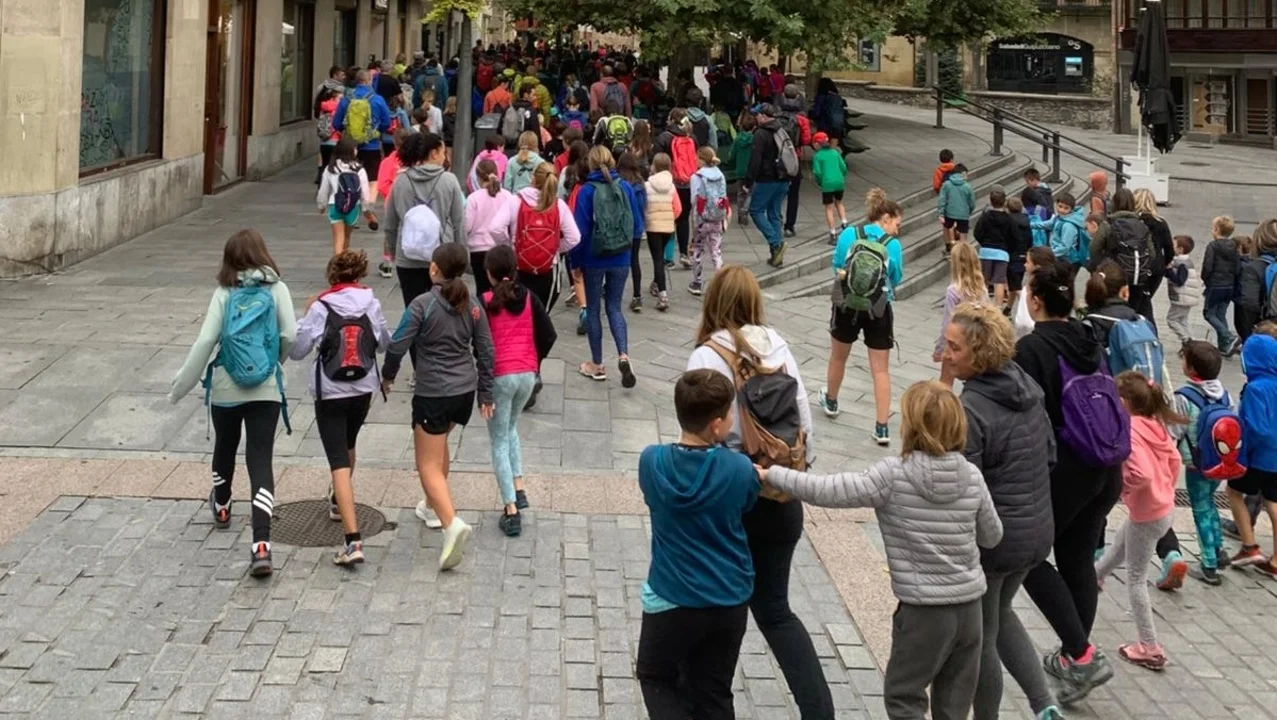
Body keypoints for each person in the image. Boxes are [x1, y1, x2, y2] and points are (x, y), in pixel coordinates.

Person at [764, 380, 1002, 720]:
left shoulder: (893, 474)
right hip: (970, 610)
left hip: (923, 612)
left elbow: (829, 490)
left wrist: (773, 474)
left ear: (911, 426)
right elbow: (992, 536)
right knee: (954, 706)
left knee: (904, 697)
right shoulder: (972, 476)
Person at [684, 265, 834, 719]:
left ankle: (710, 706)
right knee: (775, 611)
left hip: (731, 503)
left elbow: (695, 439)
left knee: (719, 613)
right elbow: (805, 426)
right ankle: (819, 711)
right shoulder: (779, 347)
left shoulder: (707, 356)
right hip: (781, 497)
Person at [942, 303, 1063, 720]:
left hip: (997, 541)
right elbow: (1049, 454)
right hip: (1036, 530)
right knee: (1002, 613)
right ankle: (1044, 706)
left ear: (978, 354)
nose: (945, 354)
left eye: (954, 347)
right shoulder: (1026, 386)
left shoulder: (972, 409)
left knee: (981, 637)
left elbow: (966, 490)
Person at [1014, 259, 1122, 703]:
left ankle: (1080, 654)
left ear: (1035, 300)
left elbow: (1025, 417)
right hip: (1106, 467)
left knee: (1025, 556)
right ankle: (1074, 659)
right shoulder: (1089, 338)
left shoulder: (1032, 349)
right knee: (1077, 560)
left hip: (1067, 470)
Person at [169, 230, 297, 577]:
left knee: (225, 445)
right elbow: (290, 335)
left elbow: (206, 340)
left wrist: (180, 386)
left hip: (226, 387)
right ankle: (261, 545)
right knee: (260, 460)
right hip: (266, 390)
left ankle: (223, 504)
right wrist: (273, 364)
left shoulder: (224, 292)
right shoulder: (278, 289)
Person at [634, 369, 759, 720]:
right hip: (728, 598)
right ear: (717, 425)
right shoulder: (739, 469)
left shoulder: (652, 461)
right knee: (714, 691)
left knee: (656, 677)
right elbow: (747, 502)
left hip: (671, 597)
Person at [382, 243, 493, 568]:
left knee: (427, 464)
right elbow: (486, 350)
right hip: (464, 391)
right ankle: (431, 506)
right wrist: (485, 393)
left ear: (433, 269)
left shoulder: (423, 304)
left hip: (433, 392)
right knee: (439, 443)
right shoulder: (473, 305)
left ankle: (451, 523)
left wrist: (388, 376)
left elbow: (397, 344)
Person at [288, 250, 390, 566]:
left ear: (332, 276)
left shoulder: (321, 306)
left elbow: (297, 351)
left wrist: (305, 317)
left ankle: (352, 540)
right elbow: (384, 343)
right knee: (349, 443)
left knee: (337, 462)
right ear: (359, 275)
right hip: (363, 388)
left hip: (330, 391)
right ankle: (337, 501)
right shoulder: (371, 303)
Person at [1095, 372, 1183, 671]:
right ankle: (1095, 576)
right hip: (1162, 508)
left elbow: (1141, 474)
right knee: (1121, 542)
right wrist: (1165, 487)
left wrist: (1123, 488)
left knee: (1135, 578)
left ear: (1123, 403)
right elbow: (1175, 460)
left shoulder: (1130, 430)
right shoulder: (1155, 425)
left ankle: (1150, 647)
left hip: (1148, 512)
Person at [481, 246, 557, 536]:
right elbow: (549, 334)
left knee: (498, 440)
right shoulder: (529, 298)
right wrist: (534, 361)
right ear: (514, 270)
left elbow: (481, 346)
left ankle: (511, 510)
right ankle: (519, 486)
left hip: (501, 376)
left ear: (489, 273)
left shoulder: (485, 302)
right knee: (511, 428)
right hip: (526, 374)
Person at [820, 189, 905, 446]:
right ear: (886, 218)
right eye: (897, 224)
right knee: (880, 370)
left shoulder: (849, 234)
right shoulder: (892, 245)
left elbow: (837, 264)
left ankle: (831, 401)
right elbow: (896, 278)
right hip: (878, 309)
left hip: (846, 305)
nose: (897, 230)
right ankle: (881, 427)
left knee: (838, 356)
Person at [383, 132, 466, 371]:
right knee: (445, 313)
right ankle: (440, 363)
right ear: (433, 153)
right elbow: (459, 222)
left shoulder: (401, 181)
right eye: (442, 151)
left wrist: (393, 252)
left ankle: (419, 368)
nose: (444, 156)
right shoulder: (449, 181)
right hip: (442, 258)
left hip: (407, 259)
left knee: (414, 314)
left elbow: (390, 224)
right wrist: (463, 255)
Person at [570, 146, 643, 387]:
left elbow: (580, 232)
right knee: (615, 307)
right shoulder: (625, 187)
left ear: (590, 164)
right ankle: (623, 355)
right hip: (621, 257)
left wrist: (575, 263)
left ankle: (597, 364)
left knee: (593, 310)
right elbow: (637, 225)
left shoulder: (586, 191)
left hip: (594, 258)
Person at [1170, 341, 1232, 584]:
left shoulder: (1183, 397)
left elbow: (1174, 430)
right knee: (1210, 502)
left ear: (1191, 369)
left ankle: (1209, 563)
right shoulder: (1224, 394)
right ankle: (1218, 547)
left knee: (1201, 509)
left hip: (1197, 464)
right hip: (1220, 461)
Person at [1225, 332, 1277, 572]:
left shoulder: (1255, 389)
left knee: (1233, 491)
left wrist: (1243, 452)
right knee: (1273, 502)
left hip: (1258, 456)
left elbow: (1256, 428)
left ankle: (1249, 545)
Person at [511, 161, 581, 316]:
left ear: (533, 179)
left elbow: (495, 228)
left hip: (520, 265)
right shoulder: (559, 205)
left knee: (519, 314)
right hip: (548, 268)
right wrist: (554, 248)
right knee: (541, 316)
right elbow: (574, 237)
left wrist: (512, 244)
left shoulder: (516, 201)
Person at [745, 104, 793, 267]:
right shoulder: (781, 130)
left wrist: (748, 182)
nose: (756, 118)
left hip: (767, 179)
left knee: (756, 210)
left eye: (757, 115)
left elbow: (755, 160)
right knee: (774, 213)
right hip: (784, 178)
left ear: (764, 116)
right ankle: (776, 256)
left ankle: (776, 243)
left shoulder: (761, 134)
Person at [934, 243, 987, 387]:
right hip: (974, 341)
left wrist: (940, 348)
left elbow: (948, 322)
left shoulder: (953, 290)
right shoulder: (982, 289)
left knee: (945, 382)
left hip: (955, 341)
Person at [465, 159, 516, 297]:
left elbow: (467, 226)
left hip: (478, 249)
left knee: (482, 289)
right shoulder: (507, 196)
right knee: (501, 289)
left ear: (478, 178)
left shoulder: (473, 198)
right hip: (501, 248)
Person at [316, 137, 374, 256]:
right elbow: (365, 193)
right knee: (346, 237)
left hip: (335, 204)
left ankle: (337, 261)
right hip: (353, 206)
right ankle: (344, 259)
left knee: (338, 238)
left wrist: (321, 205)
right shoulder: (359, 169)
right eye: (355, 148)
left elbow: (323, 190)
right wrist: (366, 210)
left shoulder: (330, 168)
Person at [655, 108, 697, 268]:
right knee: (683, 219)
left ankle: (668, 258)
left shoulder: (664, 137)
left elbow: (657, 159)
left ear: (672, 120)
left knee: (668, 219)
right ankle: (684, 253)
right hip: (688, 184)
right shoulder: (691, 137)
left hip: (670, 183)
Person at [333, 70, 391, 181]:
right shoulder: (378, 99)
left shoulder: (346, 99)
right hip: (371, 146)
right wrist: (375, 132)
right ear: (369, 81)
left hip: (350, 148)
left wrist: (349, 131)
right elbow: (386, 123)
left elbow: (336, 124)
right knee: (372, 181)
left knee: (350, 180)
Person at [688, 146, 729, 297]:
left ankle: (697, 282)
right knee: (716, 250)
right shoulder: (720, 175)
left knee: (698, 248)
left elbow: (694, 200)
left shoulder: (696, 177)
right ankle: (721, 282)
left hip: (701, 219)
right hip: (717, 217)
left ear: (701, 160)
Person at [644, 153, 680, 312]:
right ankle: (656, 282)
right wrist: (670, 218)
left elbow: (644, 205)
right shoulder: (671, 186)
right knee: (660, 257)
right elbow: (678, 208)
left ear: (654, 166)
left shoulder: (647, 185)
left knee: (657, 259)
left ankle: (663, 294)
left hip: (653, 227)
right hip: (667, 227)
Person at [1202, 215, 1241, 356]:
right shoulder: (1234, 247)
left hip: (1215, 285)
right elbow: (1237, 268)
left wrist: (1206, 280)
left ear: (1217, 230)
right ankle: (1224, 346)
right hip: (1229, 286)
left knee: (1208, 314)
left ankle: (1229, 337)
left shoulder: (1212, 246)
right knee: (1220, 314)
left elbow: (1207, 266)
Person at [617, 151, 650, 312]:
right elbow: (644, 205)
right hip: (637, 227)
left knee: (619, 260)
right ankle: (637, 296)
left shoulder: (620, 184)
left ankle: (614, 291)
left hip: (623, 228)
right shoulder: (640, 183)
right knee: (634, 261)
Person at [973, 188, 1017, 308]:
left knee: (984, 280)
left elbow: (977, 232)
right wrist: (1007, 247)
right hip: (1002, 253)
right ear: (1004, 202)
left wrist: (984, 243)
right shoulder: (1009, 219)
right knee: (999, 281)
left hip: (986, 251)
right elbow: (1014, 236)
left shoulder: (985, 216)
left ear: (991, 201)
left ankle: (981, 304)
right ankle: (998, 307)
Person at [1166, 235, 1203, 345]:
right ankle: (1192, 342)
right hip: (1187, 297)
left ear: (1180, 249)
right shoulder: (1185, 261)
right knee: (1183, 320)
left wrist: (1168, 270)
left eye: (1173, 245)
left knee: (1171, 319)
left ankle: (1186, 340)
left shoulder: (1181, 264)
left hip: (1182, 297)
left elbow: (1180, 281)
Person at [811, 132, 847, 245]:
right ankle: (845, 224)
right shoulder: (835, 153)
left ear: (817, 144)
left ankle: (833, 233)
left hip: (827, 183)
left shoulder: (817, 156)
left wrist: (820, 182)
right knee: (839, 202)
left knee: (829, 208)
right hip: (839, 182)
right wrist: (841, 177)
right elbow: (843, 167)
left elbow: (817, 172)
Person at [1013, 247, 1055, 339]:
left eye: (1027, 262)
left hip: (1029, 337)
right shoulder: (1056, 287)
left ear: (1037, 267)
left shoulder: (1029, 290)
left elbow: (1022, 322)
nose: (1024, 265)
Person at [1044, 192, 1088, 272]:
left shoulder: (1068, 225)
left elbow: (1065, 247)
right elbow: (1048, 224)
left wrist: (1049, 254)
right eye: (1060, 206)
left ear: (1071, 209)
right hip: (1061, 257)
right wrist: (1030, 224)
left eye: (1066, 208)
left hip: (1068, 260)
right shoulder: (1060, 218)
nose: (1062, 210)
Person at [938, 164, 976, 256]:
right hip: (963, 214)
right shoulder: (967, 186)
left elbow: (942, 199)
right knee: (963, 232)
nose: (967, 176)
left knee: (946, 227)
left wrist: (941, 213)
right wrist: (969, 211)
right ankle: (962, 251)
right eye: (966, 174)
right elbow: (972, 202)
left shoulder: (946, 184)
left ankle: (948, 247)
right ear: (962, 173)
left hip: (949, 212)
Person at [731, 112, 755, 229]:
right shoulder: (755, 139)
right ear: (753, 127)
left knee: (740, 193)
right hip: (752, 170)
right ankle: (746, 210)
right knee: (750, 192)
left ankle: (740, 213)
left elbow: (732, 155)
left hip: (740, 170)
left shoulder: (737, 139)